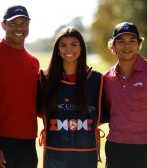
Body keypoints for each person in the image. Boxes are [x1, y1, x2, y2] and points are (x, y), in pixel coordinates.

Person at [38, 26, 109, 168]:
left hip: (85, 157)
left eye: (74, 45)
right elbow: (40, 112)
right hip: (54, 156)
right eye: (63, 45)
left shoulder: (96, 79)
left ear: (82, 48)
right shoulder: (44, 79)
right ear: (57, 49)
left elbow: (101, 117)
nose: (68, 50)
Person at [0, 5, 39, 168]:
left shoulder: (33, 62)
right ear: (3, 25)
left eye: (23, 23)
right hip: (1, 142)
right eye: (13, 23)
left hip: (28, 145)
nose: (19, 28)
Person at [104, 22, 147, 168]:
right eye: (121, 42)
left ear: (139, 44)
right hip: (115, 147)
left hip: (145, 147)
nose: (126, 46)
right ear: (114, 46)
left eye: (132, 41)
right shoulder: (106, 78)